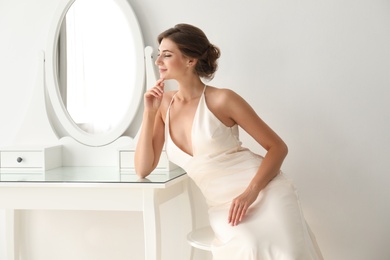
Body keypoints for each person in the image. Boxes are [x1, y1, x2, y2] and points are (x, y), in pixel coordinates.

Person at [135, 23, 323, 260]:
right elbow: (143, 168)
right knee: (248, 243)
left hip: (264, 191)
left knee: (281, 251)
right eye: (159, 54)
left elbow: (277, 147)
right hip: (224, 207)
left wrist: (250, 193)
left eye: (167, 54)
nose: (158, 61)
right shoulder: (163, 105)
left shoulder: (222, 99)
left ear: (190, 60)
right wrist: (149, 113)